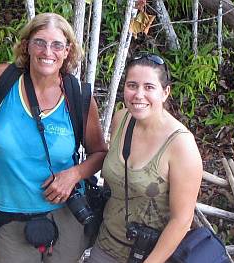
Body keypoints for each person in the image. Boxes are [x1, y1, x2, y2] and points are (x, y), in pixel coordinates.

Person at [0, 13, 107, 263]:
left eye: (57, 45)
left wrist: (74, 175)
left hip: (65, 215)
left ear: (68, 51)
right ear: (27, 46)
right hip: (8, 216)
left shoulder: (78, 96)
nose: (48, 51)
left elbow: (99, 153)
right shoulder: (3, 81)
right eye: (40, 42)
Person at [87, 53, 203, 263]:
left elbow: (181, 220)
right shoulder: (121, 120)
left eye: (149, 87)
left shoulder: (181, 145)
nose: (139, 94)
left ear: (165, 92)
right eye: (132, 85)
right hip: (106, 244)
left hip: (150, 254)